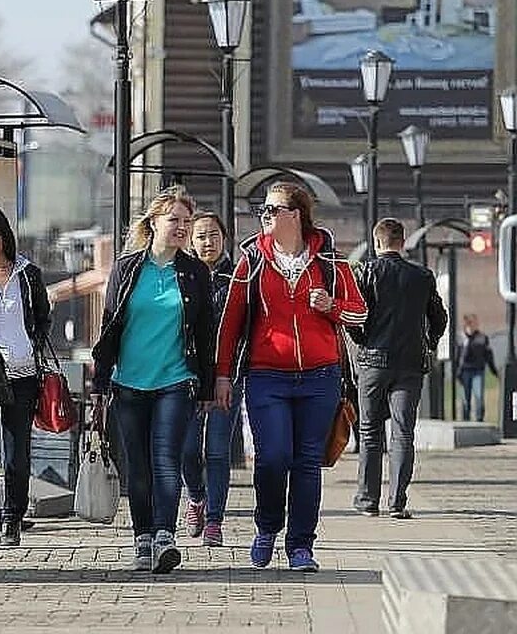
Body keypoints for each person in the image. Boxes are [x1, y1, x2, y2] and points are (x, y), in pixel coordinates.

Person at [215, 182, 366, 572]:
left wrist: (332, 305)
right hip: (267, 377)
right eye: (262, 210)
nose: (265, 216)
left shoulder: (333, 263)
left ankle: (301, 546)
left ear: (296, 215)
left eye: (273, 209)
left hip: (320, 378)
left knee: (306, 463)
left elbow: (361, 314)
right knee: (273, 457)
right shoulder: (250, 262)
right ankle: (267, 527)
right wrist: (222, 375)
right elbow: (231, 323)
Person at [89, 186, 214, 574]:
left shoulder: (194, 273)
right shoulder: (128, 268)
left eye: (186, 222)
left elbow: (207, 333)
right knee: (137, 466)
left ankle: (164, 536)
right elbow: (109, 325)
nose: (181, 228)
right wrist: (100, 384)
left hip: (175, 381)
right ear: (154, 222)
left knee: (166, 462)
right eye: (174, 220)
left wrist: (208, 386)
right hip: (128, 383)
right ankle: (142, 535)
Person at [350, 218, 447, 520]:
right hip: (410, 365)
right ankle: (397, 502)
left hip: (374, 364)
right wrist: (429, 343)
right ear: (402, 242)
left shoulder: (366, 272)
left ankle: (368, 501)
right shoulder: (421, 276)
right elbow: (439, 317)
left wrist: (364, 341)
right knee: (404, 432)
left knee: (369, 432)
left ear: (377, 242)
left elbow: (354, 316)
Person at [0, 205, 51, 550]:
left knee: (17, 454)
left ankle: (13, 517)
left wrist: (31, 345)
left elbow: (43, 317)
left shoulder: (27, 274)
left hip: (23, 372)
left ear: (4, 237)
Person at [181, 210, 239, 546]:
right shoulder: (183, 274)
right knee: (188, 449)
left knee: (217, 450)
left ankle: (215, 520)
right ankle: (196, 498)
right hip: (188, 376)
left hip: (227, 376)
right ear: (191, 240)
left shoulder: (239, 276)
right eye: (200, 235)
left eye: (213, 234)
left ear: (224, 238)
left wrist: (230, 373)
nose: (207, 241)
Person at [457, 313, 498, 422]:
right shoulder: (462, 339)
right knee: (465, 398)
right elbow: (459, 357)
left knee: (479, 396)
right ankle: (465, 420)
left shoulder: (482, 338)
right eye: (469, 323)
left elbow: (489, 356)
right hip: (465, 371)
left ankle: (479, 419)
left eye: (473, 323)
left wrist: (494, 371)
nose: (471, 325)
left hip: (478, 371)